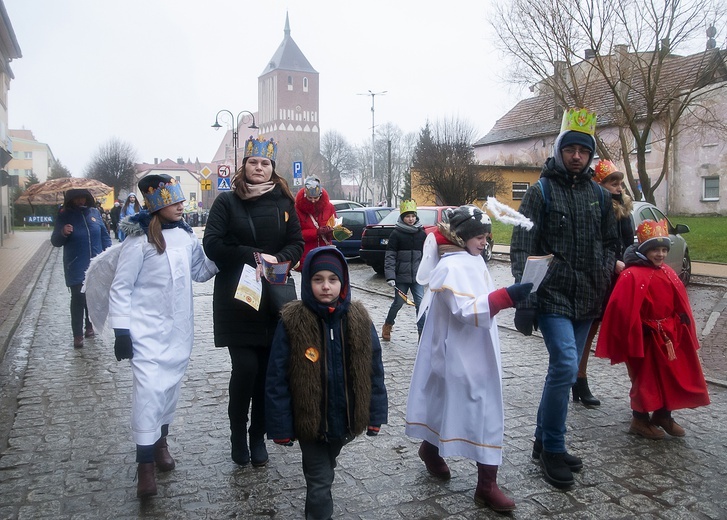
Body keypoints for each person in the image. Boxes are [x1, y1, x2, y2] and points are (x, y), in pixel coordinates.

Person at [510, 108, 618, 489]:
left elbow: (610, 241)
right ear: (559, 151)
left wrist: (605, 270)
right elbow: (522, 245)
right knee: (565, 365)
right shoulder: (541, 191)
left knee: (566, 371)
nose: (576, 156)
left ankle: (542, 440)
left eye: (583, 151)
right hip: (553, 295)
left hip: (589, 294)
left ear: (590, 156)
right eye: (570, 149)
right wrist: (525, 298)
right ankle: (554, 448)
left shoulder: (597, 196)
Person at [405, 206, 532, 513]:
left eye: (486, 237)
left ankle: (432, 449)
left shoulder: (470, 260)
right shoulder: (453, 266)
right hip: (460, 352)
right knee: (482, 407)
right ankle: (486, 485)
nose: (485, 242)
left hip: (473, 347)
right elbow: (465, 310)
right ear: (460, 237)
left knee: (450, 401)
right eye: (479, 236)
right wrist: (506, 296)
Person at [108, 174, 218, 498]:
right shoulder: (138, 240)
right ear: (157, 203)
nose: (182, 205)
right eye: (175, 200)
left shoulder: (185, 236)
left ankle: (160, 444)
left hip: (178, 332)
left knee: (168, 391)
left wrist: (222, 256)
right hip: (146, 333)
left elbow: (200, 271)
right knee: (148, 393)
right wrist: (121, 331)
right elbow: (121, 287)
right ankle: (144, 466)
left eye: (182, 199)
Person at [203, 136, 303, 468]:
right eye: (253, 162)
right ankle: (237, 434)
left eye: (265, 164)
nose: (258, 168)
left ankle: (257, 435)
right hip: (238, 298)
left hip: (274, 299)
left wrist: (278, 260)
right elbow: (212, 244)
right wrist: (252, 256)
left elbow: (297, 243)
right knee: (245, 369)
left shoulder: (284, 203)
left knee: (265, 373)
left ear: (273, 169)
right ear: (243, 166)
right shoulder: (226, 202)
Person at [266, 246, 388, 520]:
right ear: (308, 281)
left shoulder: (358, 319)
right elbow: (277, 378)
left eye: (332, 280)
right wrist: (281, 426)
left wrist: (374, 415)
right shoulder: (293, 322)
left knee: (326, 467)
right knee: (320, 481)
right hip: (310, 422)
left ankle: (319, 471)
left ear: (343, 283)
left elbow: (373, 371)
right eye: (318, 279)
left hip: (345, 421)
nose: (325, 286)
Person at [596, 219, 710, 439]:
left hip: (668, 335)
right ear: (644, 250)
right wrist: (638, 329)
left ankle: (663, 414)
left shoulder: (667, 271)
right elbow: (620, 308)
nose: (660, 254)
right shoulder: (631, 275)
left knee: (669, 375)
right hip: (645, 337)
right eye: (655, 250)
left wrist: (681, 319)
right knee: (646, 378)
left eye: (664, 249)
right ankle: (639, 419)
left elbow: (677, 300)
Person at [574, 159, 635, 407]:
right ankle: (579, 379)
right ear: (601, 185)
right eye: (613, 182)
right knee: (588, 331)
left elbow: (627, 243)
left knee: (631, 330)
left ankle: (643, 388)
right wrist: (612, 264)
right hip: (600, 277)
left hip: (622, 279)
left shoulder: (624, 210)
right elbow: (593, 243)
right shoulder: (595, 208)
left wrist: (629, 261)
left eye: (620, 183)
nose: (618, 187)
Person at [50, 188, 112, 348]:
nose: (80, 201)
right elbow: (55, 241)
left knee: (91, 296)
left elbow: (104, 235)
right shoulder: (64, 215)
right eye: (77, 198)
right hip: (75, 263)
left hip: (95, 263)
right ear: (70, 200)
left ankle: (89, 325)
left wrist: (108, 254)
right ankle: (77, 334)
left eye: (83, 198)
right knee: (78, 297)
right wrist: (63, 232)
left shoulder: (94, 213)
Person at [382, 199, 426, 341]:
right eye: (407, 216)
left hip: (417, 277)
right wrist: (390, 276)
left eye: (413, 216)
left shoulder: (421, 233)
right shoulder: (396, 234)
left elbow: (427, 256)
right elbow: (390, 256)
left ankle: (422, 333)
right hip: (401, 277)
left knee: (421, 304)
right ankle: (388, 324)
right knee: (398, 303)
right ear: (402, 217)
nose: (411, 219)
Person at [294, 175, 336, 271]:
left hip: (325, 254)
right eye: (310, 198)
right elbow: (296, 234)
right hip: (306, 256)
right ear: (305, 195)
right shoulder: (297, 209)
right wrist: (316, 232)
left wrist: (331, 232)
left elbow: (335, 225)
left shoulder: (329, 207)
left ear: (320, 195)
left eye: (316, 198)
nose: (313, 201)